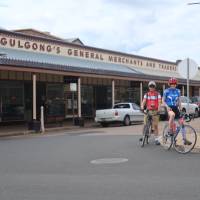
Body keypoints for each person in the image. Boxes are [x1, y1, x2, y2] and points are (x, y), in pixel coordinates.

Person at [162, 77, 191, 145]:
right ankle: (169, 131)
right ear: (169, 84)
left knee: (182, 124)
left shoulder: (178, 91)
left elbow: (179, 101)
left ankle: (184, 139)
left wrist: (180, 109)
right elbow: (163, 101)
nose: (173, 85)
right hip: (169, 108)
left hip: (175, 108)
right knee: (172, 115)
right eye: (172, 84)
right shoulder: (166, 91)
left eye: (174, 84)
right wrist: (167, 106)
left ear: (176, 84)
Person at [140, 81, 162, 145]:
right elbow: (143, 102)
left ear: (154, 87)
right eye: (150, 86)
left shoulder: (158, 94)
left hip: (155, 111)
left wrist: (159, 109)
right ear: (149, 87)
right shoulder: (146, 94)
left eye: (153, 86)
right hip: (148, 111)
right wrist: (142, 107)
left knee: (155, 126)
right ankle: (143, 135)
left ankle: (156, 139)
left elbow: (159, 102)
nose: (151, 88)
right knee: (145, 124)